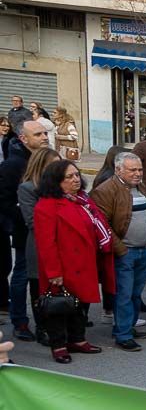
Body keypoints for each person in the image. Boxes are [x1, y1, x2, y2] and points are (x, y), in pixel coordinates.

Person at [33, 160, 115, 363]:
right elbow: (46, 243)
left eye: (76, 174)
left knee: (81, 304)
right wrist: (54, 272)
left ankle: (77, 339)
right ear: (56, 181)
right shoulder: (46, 205)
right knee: (58, 307)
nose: (75, 179)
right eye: (69, 177)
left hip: (84, 262)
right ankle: (59, 345)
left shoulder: (82, 200)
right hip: (62, 266)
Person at [90, 152, 146, 351]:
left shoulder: (140, 187)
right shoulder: (106, 190)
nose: (138, 174)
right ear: (118, 170)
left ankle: (128, 326)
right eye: (132, 170)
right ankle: (123, 334)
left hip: (143, 250)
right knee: (124, 295)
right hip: (125, 253)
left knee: (135, 294)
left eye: (140, 170)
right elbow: (103, 225)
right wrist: (122, 250)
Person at [0, 119, 50, 341]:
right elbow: (5, 200)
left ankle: (46, 320)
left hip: (45, 230)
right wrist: (22, 218)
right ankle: (19, 321)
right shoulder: (13, 165)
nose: (44, 137)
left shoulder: (45, 158)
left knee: (40, 277)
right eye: (38, 134)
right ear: (24, 138)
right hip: (24, 231)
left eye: (44, 133)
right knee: (22, 275)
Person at [16, 147, 59, 344]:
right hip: (39, 246)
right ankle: (43, 328)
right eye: (54, 164)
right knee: (39, 289)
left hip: (62, 245)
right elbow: (33, 222)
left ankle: (62, 325)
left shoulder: (63, 186)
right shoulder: (27, 188)